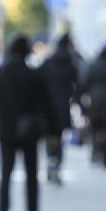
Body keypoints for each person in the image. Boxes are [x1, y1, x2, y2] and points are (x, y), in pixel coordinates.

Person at [0, 34, 52, 211]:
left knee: (5, 176)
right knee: (31, 177)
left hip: (7, 133)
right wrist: (51, 131)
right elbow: (46, 105)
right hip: (30, 134)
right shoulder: (34, 75)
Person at [76, 42, 106, 168]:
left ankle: (94, 152)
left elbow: (83, 85)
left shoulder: (93, 66)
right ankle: (104, 157)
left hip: (93, 103)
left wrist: (80, 102)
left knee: (93, 130)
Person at [40, 33, 79, 184]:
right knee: (59, 136)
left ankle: (51, 160)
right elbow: (77, 85)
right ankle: (57, 164)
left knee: (49, 136)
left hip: (47, 106)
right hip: (63, 105)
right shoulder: (70, 63)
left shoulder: (48, 63)